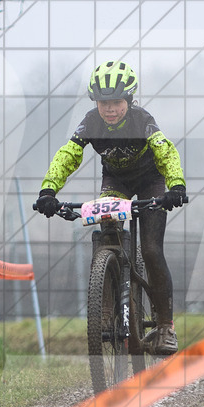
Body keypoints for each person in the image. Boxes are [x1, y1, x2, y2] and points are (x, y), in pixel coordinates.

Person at [34, 60, 186, 355]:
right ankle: (104, 306)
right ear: (96, 103)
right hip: (116, 181)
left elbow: (165, 150)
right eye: (104, 103)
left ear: (129, 100)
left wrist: (176, 186)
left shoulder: (142, 119)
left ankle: (165, 326)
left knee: (151, 250)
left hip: (151, 182)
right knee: (107, 236)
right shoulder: (91, 122)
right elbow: (69, 153)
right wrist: (48, 190)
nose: (110, 109)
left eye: (116, 102)